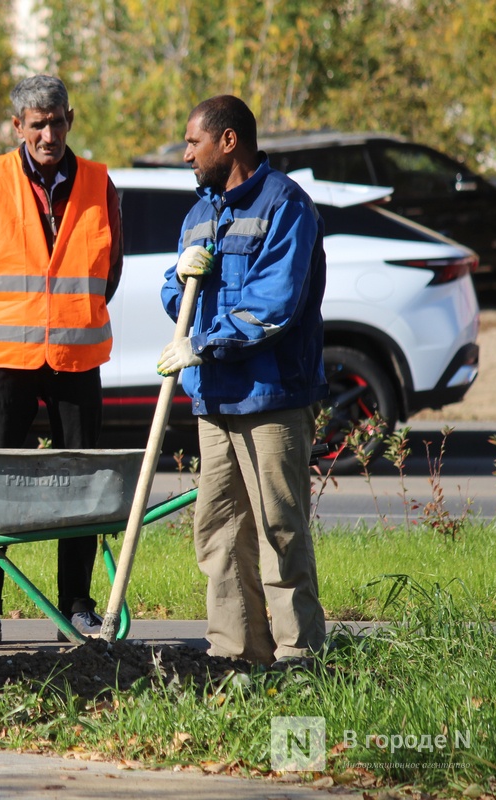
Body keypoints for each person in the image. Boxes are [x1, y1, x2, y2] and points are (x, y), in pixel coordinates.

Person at [0, 74, 123, 645]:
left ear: (71, 119)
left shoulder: (99, 181)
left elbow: (109, 269)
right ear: (17, 126)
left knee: (85, 488)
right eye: (37, 124)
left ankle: (78, 605)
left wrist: (67, 318)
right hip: (4, 361)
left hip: (76, 357)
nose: (49, 133)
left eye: (57, 121)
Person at [157, 95, 327, 667]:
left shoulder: (287, 207)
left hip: (272, 396)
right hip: (215, 399)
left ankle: (298, 659)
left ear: (227, 141)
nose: (186, 154)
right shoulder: (199, 213)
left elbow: (271, 308)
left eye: (192, 142)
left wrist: (199, 345)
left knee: (279, 528)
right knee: (219, 533)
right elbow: (173, 290)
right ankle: (235, 657)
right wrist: (178, 283)